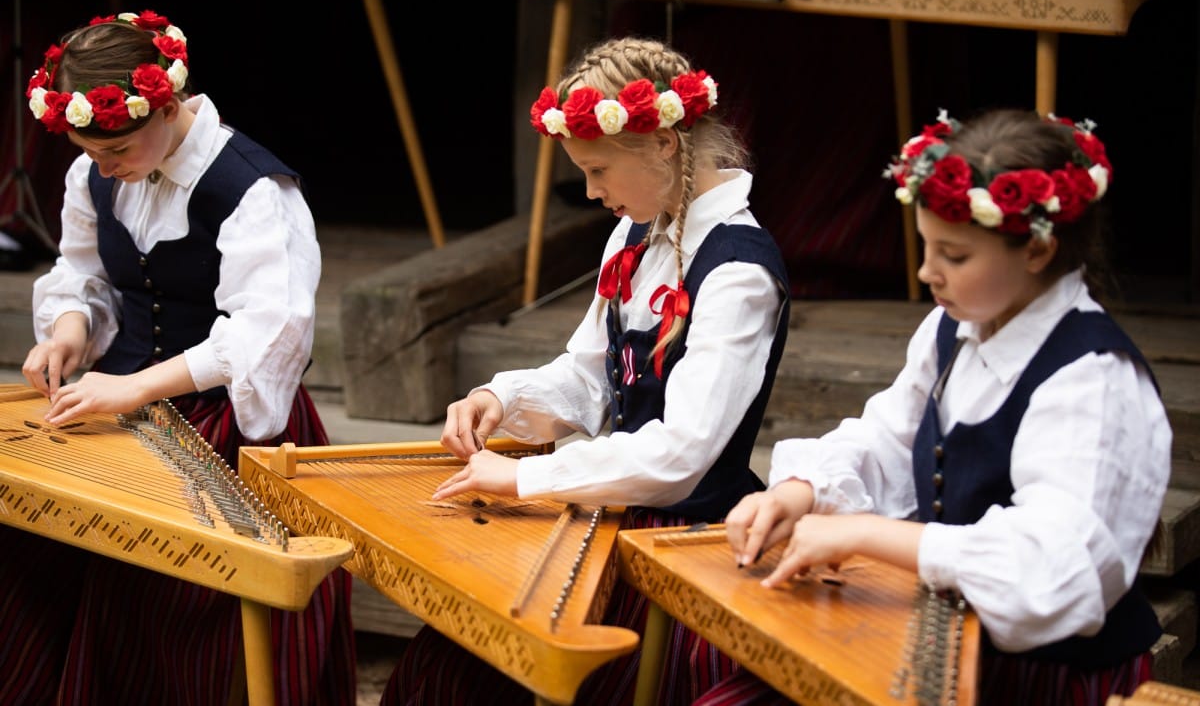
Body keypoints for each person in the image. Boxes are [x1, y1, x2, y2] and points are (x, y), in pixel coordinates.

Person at [699, 108, 1171, 706]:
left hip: (1044, 677)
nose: (927, 272)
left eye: (955, 255)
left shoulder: (1092, 380)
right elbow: (890, 439)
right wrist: (800, 491)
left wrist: (864, 533)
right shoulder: (953, 331)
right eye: (926, 246)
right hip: (938, 641)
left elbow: (1050, 566)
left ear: (1037, 249)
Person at [379, 36, 791, 705]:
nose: (592, 191)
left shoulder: (738, 271)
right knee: (452, 658)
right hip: (609, 506)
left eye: (598, 170)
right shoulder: (634, 231)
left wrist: (525, 477)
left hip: (681, 536)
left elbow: (683, 452)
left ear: (664, 143)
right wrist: (501, 398)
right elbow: (592, 377)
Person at [2, 9, 356, 705]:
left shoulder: (253, 191)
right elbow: (84, 273)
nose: (105, 167)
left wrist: (133, 388)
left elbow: (267, 333)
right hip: (118, 408)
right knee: (33, 548)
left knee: (178, 612)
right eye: (91, 152)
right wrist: (69, 332)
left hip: (224, 425)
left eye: (117, 150)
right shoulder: (95, 173)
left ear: (167, 106)